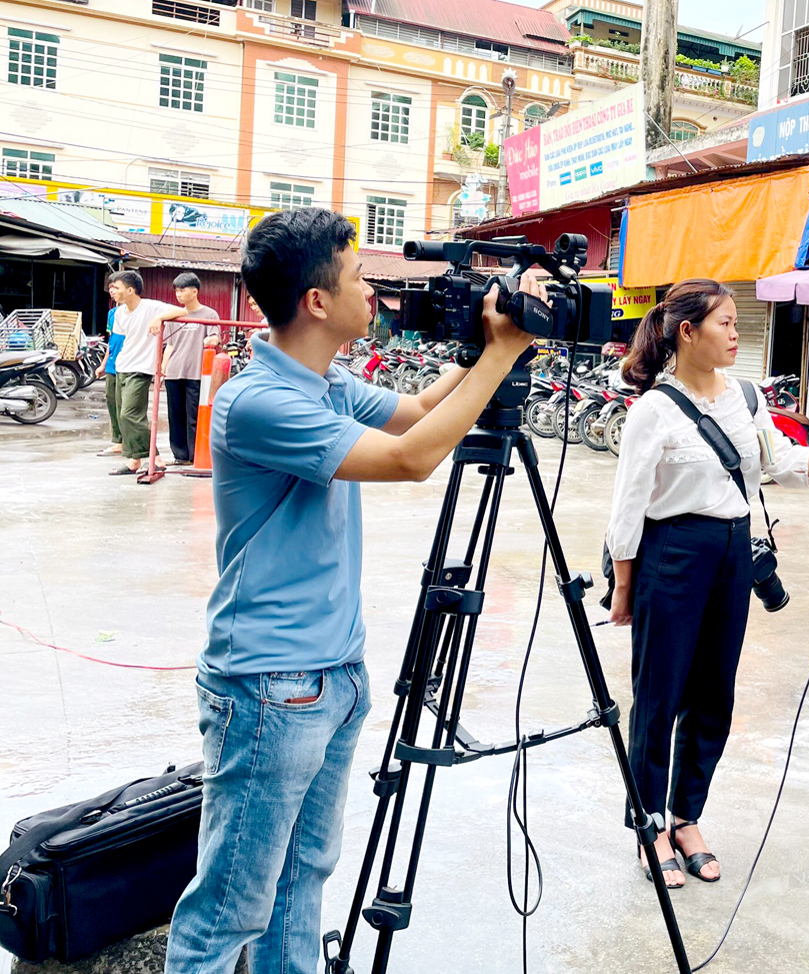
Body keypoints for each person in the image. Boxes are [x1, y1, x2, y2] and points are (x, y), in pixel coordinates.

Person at [164, 208, 537, 974]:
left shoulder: (321, 383)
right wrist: (502, 356)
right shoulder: (259, 400)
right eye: (359, 275)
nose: (373, 289)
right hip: (270, 683)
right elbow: (409, 459)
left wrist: (487, 335)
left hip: (332, 671)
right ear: (317, 302)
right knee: (231, 905)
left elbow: (423, 412)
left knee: (302, 883)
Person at [606, 279, 809, 889]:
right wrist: (623, 582)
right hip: (670, 554)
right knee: (659, 695)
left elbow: (780, 463)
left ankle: (687, 818)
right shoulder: (653, 409)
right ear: (688, 332)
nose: (736, 334)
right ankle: (649, 822)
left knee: (714, 695)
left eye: (737, 323)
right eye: (726, 323)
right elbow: (628, 505)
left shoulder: (747, 399)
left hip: (732, 551)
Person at [105, 271, 178, 477]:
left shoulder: (151, 307)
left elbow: (182, 311)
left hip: (141, 368)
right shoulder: (119, 313)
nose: (112, 291)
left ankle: (156, 458)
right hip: (122, 366)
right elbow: (120, 341)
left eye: (116, 287)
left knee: (131, 414)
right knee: (122, 416)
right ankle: (134, 460)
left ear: (130, 290)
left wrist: (159, 317)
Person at [156, 272, 220, 465]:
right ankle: (180, 456)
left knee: (194, 416)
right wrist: (162, 371)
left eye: (182, 290)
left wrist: (212, 340)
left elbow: (215, 337)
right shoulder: (175, 316)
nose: (178, 294)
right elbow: (170, 346)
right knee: (175, 416)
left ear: (194, 291)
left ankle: (195, 455)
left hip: (196, 374)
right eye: (176, 290)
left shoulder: (209, 314)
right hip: (174, 372)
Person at [96, 290, 125, 458]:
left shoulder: (138, 314)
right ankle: (118, 441)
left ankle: (129, 441)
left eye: (116, 287)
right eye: (111, 287)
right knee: (112, 400)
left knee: (126, 405)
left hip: (129, 364)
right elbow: (111, 341)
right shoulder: (112, 313)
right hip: (112, 364)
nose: (112, 291)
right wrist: (103, 364)